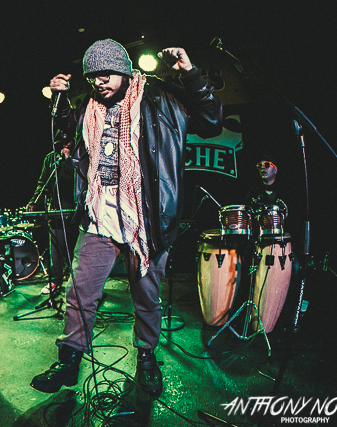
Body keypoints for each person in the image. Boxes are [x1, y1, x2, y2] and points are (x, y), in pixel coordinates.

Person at [30, 39, 223, 396]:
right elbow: (65, 136)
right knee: (80, 292)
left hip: (146, 220)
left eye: (106, 73)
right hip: (99, 216)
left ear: (123, 69)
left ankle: (146, 357)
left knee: (146, 298)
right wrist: (58, 100)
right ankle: (69, 359)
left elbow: (211, 121)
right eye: (93, 76)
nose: (99, 81)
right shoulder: (86, 106)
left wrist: (191, 75)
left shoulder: (160, 98)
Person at [26, 131, 78, 295]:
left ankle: (78, 282)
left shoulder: (79, 157)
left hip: (75, 211)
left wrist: (68, 159)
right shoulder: (51, 159)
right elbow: (43, 182)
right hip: (56, 209)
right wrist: (34, 201)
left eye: (67, 142)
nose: (64, 146)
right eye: (61, 143)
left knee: (76, 248)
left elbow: (76, 178)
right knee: (55, 247)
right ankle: (55, 281)